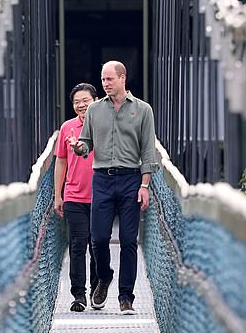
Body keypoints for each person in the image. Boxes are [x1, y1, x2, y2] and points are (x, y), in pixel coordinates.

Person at [67, 61, 156, 316]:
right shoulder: (95, 110)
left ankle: (126, 297)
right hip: (102, 179)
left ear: (122, 78)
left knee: (129, 240)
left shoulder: (143, 110)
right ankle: (104, 277)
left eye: (109, 79)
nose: (105, 84)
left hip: (130, 179)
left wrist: (144, 185)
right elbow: (85, 144)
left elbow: (148, 151)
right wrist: (78, 148)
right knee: (98, 239)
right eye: (103, 80)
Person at [54, 82, 99, 312]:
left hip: (101, 196)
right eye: (77, 102)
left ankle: (96, 290)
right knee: (77, 245)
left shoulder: (104, 125)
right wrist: (57, 195)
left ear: (95, 101)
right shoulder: (67, 128)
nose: (81, 105)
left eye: (85, 101)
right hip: (73, 196)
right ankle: (79, 295)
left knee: (98, 246)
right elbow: (60, 161)